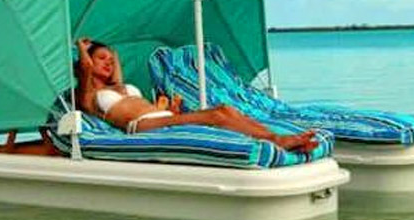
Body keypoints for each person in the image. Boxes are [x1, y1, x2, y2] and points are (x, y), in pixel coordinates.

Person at [73, 37, 319, 153]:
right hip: (141, 125)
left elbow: (115, 62)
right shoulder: (90, 95)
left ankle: (274, 137)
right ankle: (278, 141)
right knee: (217, 115)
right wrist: (82, 48)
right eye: (100, 59)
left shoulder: (120, 86)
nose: (109, 62)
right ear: (87, 64)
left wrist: (109, 51)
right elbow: (85, 69)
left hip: (160, 117)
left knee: (226, 110)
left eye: (110, 59)